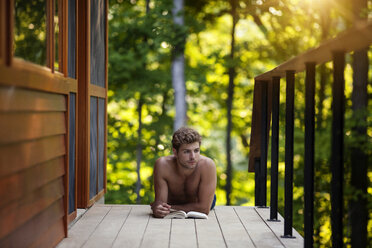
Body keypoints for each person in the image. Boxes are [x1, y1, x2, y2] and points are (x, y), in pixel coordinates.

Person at [151, 127, 217, 218]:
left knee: (209, 202)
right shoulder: (162, 165)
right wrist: (158, 208)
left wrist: (169, 209)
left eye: (196, 150)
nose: (193, 157)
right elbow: (161, 203)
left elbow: (204, 209)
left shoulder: (207, 165)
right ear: (175, 152)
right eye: (186, 152)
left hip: (201, 200)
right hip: (174, 201)